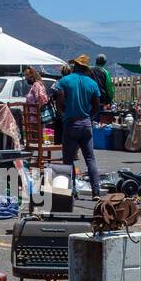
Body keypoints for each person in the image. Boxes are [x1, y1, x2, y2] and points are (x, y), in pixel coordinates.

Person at [49, 57, 102, 198]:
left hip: (71, 123)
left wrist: (63, 114)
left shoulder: (65, 81)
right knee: (90, 158)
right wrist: (89, 117)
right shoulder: (92, 83)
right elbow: (97, 106)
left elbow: (59, 101)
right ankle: (96, 192)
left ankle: (71, 192)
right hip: (86, 123)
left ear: (75, 66)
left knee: (68, 160)